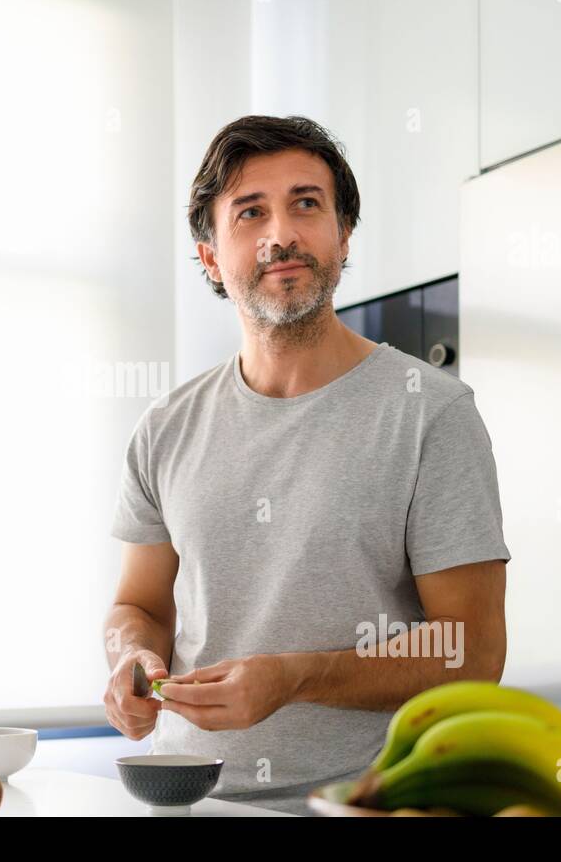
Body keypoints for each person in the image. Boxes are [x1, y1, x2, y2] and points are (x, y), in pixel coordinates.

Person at [102, 115, 511, 816]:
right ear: (209, 254)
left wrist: (296, 676)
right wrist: (132, 657)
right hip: (194, 799)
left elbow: (472, 653)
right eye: (250, 211)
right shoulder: (164, 428)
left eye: (306, 203)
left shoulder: (431, 414)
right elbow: (138, 605)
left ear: (343, 236)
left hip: (372, 803)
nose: (280, 234)